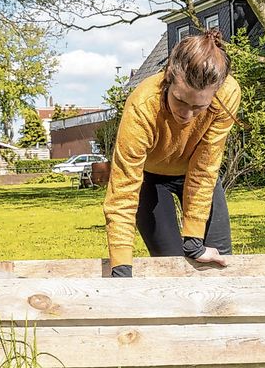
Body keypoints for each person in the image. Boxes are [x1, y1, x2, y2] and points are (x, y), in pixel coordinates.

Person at [103, 29, 241, 277]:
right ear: (169, 77)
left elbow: (205, 165)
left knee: (219, 265)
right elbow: (123, 190)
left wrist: (194, 239)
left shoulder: (227, 93)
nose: (187, 115)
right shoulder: (142, 105)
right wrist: (121, 267)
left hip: (196, 175)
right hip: (150, 179)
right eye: (180, 100)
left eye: (199, 106)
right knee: (173, 267)